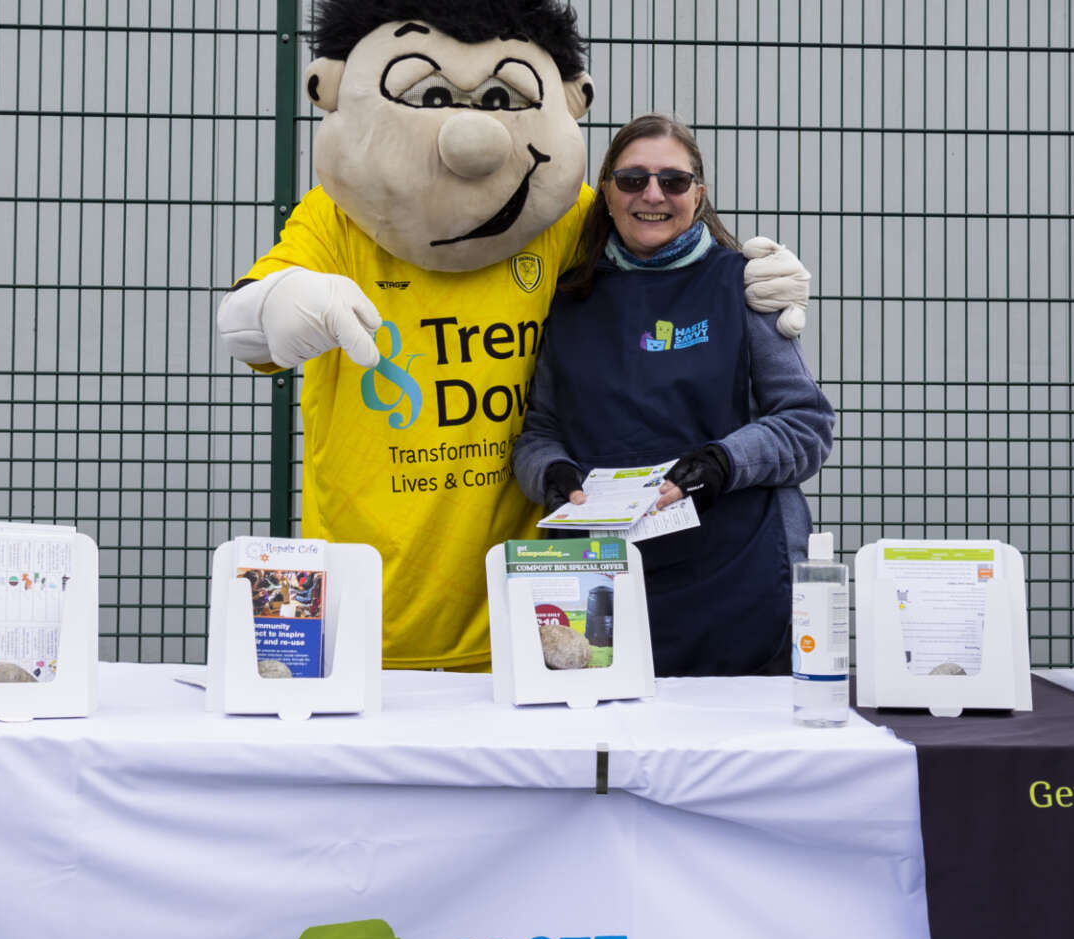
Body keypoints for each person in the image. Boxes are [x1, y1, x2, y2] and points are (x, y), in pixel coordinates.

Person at [215, 0, 815, 671]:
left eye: (671, 181)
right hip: (370, 602)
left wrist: (754, 271)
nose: (471, 135)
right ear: (328, 87)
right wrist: (275, 307)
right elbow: (246, 329)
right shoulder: (338, 217)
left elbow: (662, 243)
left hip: (529, 608)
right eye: (433, 93)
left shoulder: (564, 218)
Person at [511, 114, 835, 677]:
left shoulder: (744, 285)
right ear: (606, 193)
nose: (653, 195)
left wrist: (722, 462)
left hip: (739, 578)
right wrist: (553, 474)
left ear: (699, 195)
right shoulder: (571, 299)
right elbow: (540, 431)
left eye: (674, 181)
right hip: (604, 582)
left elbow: (805, 425)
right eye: (633, 179)